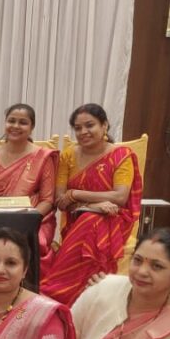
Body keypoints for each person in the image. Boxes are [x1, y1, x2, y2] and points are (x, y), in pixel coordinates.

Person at [39, 103, 142, 306]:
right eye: (78, 128)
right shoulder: (69, 155)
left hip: (114, 218)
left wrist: (76, 194)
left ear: (105, 125)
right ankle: (77, 296)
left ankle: (57, 291)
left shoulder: (121, 155)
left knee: (92, 221)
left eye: (90, 125)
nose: (83, 132)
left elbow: (120, 197)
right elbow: (61, 201)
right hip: (77, 218)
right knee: (90, 219)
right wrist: (94, 205)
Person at [0, 103, 59, 253]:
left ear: (32, 127)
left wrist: (25, 221)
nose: (15, 126)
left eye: (23, 122)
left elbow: (47, 200)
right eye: (11, 121)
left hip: (32, 220)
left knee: (32, 242)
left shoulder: (43, 157)